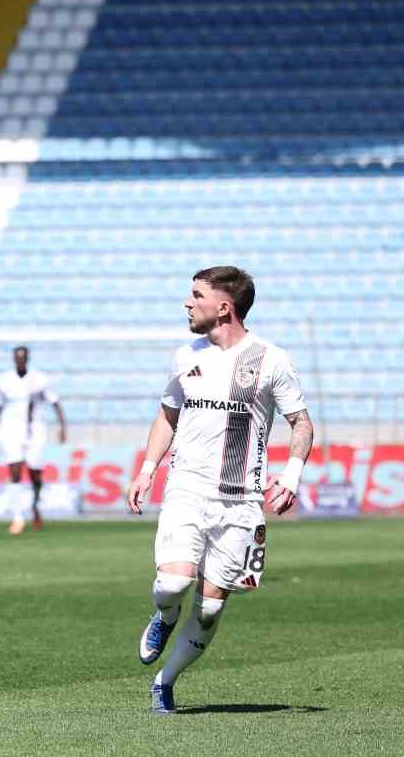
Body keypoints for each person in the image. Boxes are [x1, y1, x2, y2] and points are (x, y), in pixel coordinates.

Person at [125, 266, 314, 714]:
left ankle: (165, 681)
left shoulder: (271, 360)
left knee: (210, 610)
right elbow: (167, 416)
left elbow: (300, 423)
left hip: (242, 501)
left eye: (196, 295)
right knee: (173, 583)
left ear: (223, 307)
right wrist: (147, 469)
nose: (187, 303)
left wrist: (290, 477)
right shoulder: (184, 357)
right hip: (186, 489)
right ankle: (164, 616)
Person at [0, 345, 66, 534]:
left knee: (35, 474)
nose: (20, 360)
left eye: (23, 357)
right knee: (14, 470)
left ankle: (35, 506)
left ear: (28, 358)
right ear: (14, 359)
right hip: (11, 428)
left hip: (35, 429)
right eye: (18, 358)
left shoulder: (39, 379)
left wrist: (62, 427)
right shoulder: (4, 380)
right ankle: (17, 517)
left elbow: (55, 402)